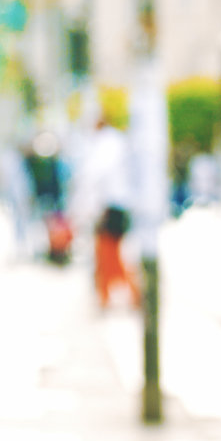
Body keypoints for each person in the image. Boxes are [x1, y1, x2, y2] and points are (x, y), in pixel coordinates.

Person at [74, 115, 140, 309]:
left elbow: (96, 175)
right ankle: (115, 293)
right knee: (109, 252)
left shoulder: (106, 145)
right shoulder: (116, 143)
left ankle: (121, 293)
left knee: (107, 252)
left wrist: (87, 206)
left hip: (111, 205)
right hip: (117, 204)